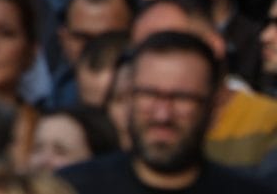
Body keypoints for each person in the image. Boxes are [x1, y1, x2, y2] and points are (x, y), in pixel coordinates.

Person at [56, 31, 266, 194]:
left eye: (181, 98)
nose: (162, 114)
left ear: (213, 107)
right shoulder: (69, 189)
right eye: (150, 95)